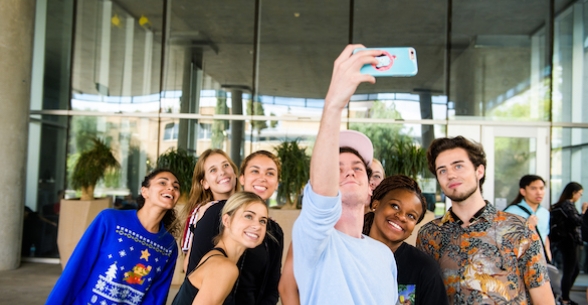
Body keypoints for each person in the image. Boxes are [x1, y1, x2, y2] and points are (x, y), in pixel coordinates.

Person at [291, 45, 398, 304]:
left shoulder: (384, 255)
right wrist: (334, 104)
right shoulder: (312, 240)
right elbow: (321, 200)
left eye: (357, 167)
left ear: (371, 188)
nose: (349, 171)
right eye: (337, 168)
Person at [416, 136, 554, 304]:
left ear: (479, 171)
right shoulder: (430, 235)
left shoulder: (519, 229)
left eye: (458, 166)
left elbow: (543, 298)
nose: (450, 175)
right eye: (442, 170)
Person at [46, 168, 181, 304]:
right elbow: (77, 269)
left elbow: (157, 297)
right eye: (163, 183)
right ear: (144, 191)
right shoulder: (110, 220)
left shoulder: (168, 245)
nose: (171, 187)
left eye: (176, 186)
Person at [186, 150, 284, 305]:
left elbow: (271, 288)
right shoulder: (216, 213)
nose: (262, 178)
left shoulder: (275, 231)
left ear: (277, 182)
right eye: (255, 171)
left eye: (270, 173)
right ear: (242, 178)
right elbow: (193, 275)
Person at [363, 175, 448, 305]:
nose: (402, 217)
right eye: (395, 206)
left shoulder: (424, 269)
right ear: (375, 204)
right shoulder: (346, 253)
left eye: (411, 216)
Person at [172, 192, 269, 305]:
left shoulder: (215, 258)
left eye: (263, 221)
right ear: (227, 220)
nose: (257, 226)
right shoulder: (224, 268)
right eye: (248, 216)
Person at [180, 149, 239, 272]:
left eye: (226, 165)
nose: (222, 172)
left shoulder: (249, 208)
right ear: (205, 183)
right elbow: (188, 267)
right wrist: (200, 223)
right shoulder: (198, 212)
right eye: (213, 170)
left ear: (234, 172)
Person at [550, 182, 586, 305]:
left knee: (574, 269)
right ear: (573, 192)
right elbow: (577, 221)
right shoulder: (567, 205)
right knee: (570, 270)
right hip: (568, 242)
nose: (580, 196)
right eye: (580, 194)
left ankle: (564, 296)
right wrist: (584, 212)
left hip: (569, 241)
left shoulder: (567, 205)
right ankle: (564, 298)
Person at [504, 175, 551, 261]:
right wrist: (527, 226)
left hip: (540, 262)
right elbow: (505, 241)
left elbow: (545, 236)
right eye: (533, 188)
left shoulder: (545, 213)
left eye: (541, 188)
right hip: (519, 262)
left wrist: (548, 257)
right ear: (523, 191)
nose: (539, 192)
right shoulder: (511, 212)